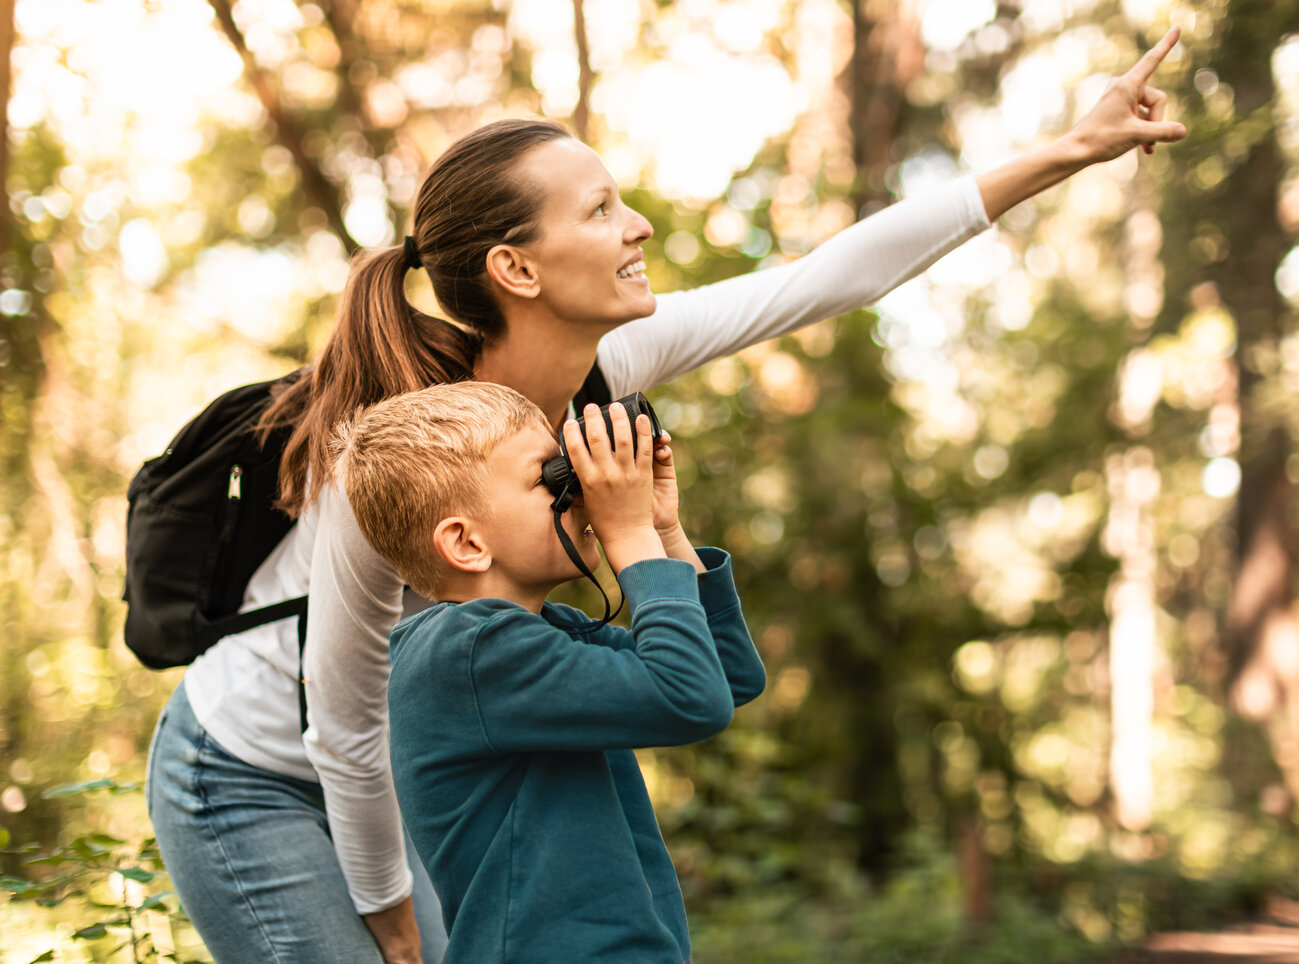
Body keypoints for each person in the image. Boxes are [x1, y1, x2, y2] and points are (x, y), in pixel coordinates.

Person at [144, 26, 1186, 964]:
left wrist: (1064, 150)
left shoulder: (616, 358)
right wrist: (387, 913)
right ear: (516, 267)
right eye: (600, 209)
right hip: (250, 766)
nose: (636, 224)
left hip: (412, 755)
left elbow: (831, 276)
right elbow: (342, 717)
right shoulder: (395, 445)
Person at [334, 381, 763, 963]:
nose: (582, 491)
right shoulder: (468, 652)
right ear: (466, 542)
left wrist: (662, 529)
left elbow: (726, 677)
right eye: (549, 478)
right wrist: (631, 533)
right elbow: (691, 698)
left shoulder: (543, 635)